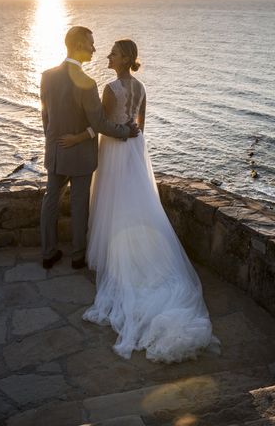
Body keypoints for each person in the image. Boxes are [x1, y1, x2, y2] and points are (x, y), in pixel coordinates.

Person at [59, 39, 219, 363]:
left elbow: (101, 125)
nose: (108, 55)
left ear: (125, 58)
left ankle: (118, 259)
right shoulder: (142, 88)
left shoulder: (110, 88)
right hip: (133, 150)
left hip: (115, 150)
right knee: (135, 201)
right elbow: (140, 126)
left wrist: (78, 137)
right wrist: (129, 129)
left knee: (112, 202)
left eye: (114, 53)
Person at [40, 26, 139, 270]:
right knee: (79, 205)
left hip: (55, 151)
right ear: (77, 46)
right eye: (90, 44)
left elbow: (45, 116)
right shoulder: (87, 82)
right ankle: (77, 257)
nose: (95, 49)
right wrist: (126, 131)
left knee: (50, 201)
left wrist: (52, 142)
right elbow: (100, 123)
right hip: (81, 156)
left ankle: (47, 253)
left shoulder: (47, 75)